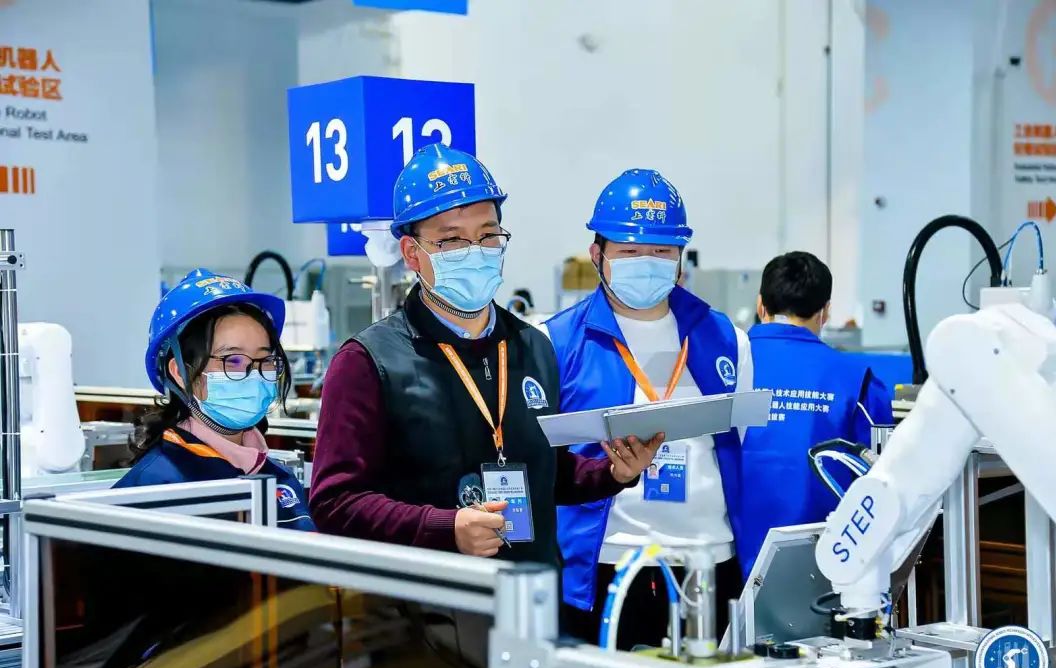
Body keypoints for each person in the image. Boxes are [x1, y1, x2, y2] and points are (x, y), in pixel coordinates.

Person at [308, 144, 662, 564]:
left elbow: (546, 472)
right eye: (452, 239)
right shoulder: (369, 362)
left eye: (488, 235)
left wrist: (613, 473)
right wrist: (445, 527)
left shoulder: (532, 346)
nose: (475, 251)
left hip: (531, 588)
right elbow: (335, 502)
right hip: (435, 593)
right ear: (412, 254)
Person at [545, 169, 752, 650]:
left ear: (680, 258)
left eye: (662, 251)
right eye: (629, 251)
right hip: (607, 562)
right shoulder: (558, 342)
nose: (647, 262)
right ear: (597, 254)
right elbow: (545, 460)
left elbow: (737, 444)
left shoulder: (725, 338)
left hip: (709, 560)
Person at [117, 269, 315, 531]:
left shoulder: (281, 478)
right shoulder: (154, 489)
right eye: (233, 360)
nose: (254, 373)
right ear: (181, 373)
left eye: (266, 359)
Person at [738, 251, 893, 577]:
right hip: (822, 565)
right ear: (825, 312)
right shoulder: (857, 380)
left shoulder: (720, 368)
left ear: (760, 305)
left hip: (721, 562)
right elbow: (879, 476)